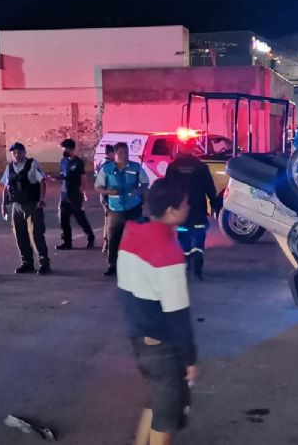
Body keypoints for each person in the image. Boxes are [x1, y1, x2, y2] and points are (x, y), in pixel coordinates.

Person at [117, 178, 197, 445]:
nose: (189, 207)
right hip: (161, 344)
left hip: (138, 336)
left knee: (157, 400)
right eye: (185, 204)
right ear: (171, 210)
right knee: (167, 415)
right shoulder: (168, 252)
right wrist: (190, 360)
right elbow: (178, 314)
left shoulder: (132, 233)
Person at [165, 139, 222, 281]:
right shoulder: (201, 167)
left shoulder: (172, 167)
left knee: (183, 238)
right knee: (198, 239)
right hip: (198, 211)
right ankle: (197, 270)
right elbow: (210, 188)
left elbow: (167, 188)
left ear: (180, 147)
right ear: (193, 148)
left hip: (180, 213)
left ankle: (186, 266)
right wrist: (215, 205)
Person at [97, 142, 149, 277]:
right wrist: (109, 192)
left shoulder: (135, 167)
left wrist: (138, 191)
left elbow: (145, 183)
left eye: (126, 152)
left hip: (133, 207)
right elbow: (98, 187)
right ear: (114, 154)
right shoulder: (107, 169)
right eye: (120, 153)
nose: (124, 155)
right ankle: (112, 265)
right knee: (113, 237)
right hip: (115, 209)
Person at [0, 142, 52, 275]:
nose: (16, 155)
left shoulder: (33, 164)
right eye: (14, 153)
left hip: (32, 204)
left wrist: (41, 199)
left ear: (24, 152)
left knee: (36, 235)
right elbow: (6, 187)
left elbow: (42, 181)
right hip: (16, 205)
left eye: (19, 152)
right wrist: (3, 206)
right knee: (20, 235)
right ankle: (27, 262)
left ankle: (43, 263)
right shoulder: (10, 167)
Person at [55, 138, 95, 250]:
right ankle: (67, 242)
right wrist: (56, 177)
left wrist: (85, 192)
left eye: (65, 149)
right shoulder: (63, 161)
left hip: (75, 194)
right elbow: (63, 174)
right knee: (63, 220)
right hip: (64, 194)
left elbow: (83, 178)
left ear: (71, 149)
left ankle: (90, 236)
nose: (63, 151)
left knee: (80, 218)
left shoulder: (78, 162)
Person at [95, 144, 116, 251]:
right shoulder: (108, 166)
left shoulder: (101, 163)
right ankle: (107, 243)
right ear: (111, 153)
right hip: (107, 195)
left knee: (108, 219)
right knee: (110, 220)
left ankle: (107, 243)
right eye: (115, 153)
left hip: (104, 195)